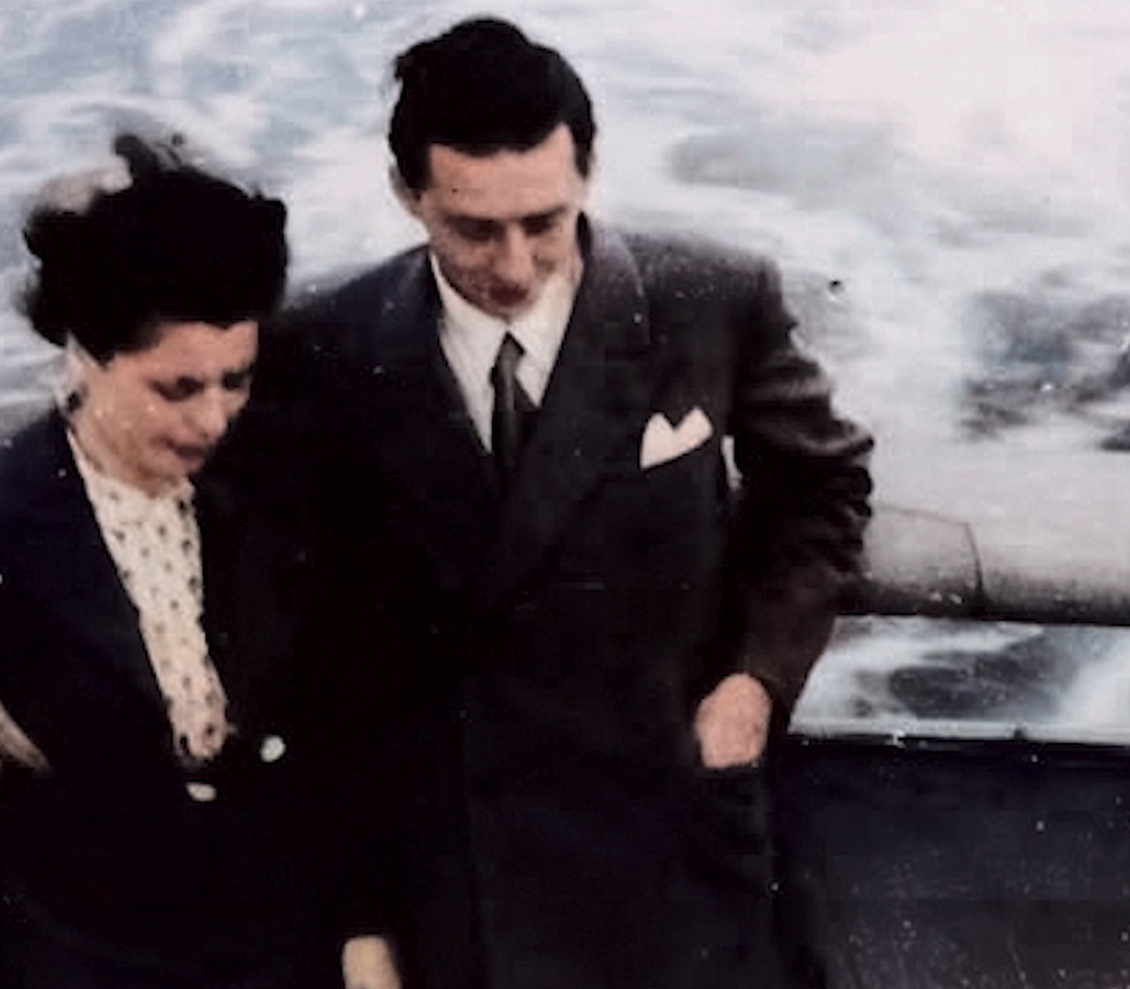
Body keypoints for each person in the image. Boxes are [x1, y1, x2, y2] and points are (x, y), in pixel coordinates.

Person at [267, 17, 874, 989]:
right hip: (455, 869)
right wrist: (360, 913)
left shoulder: (711, 298)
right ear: (406, 195)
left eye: (543, 221)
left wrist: (755, 679)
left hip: (669, 830)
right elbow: (323, 658)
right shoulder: (327, 344)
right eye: (472, 228)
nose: (513, 266)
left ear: (586, 175)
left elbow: (821, 486)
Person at [0, 134, 385, 989]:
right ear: (88, 354)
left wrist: (363, 929)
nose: (214, 418)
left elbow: (341, 722)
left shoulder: (280, 485)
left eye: (235, 380)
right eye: (176, 388)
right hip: (69, 950)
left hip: (277, 946)